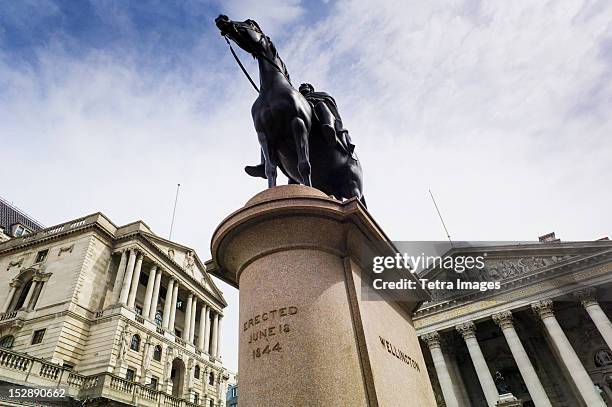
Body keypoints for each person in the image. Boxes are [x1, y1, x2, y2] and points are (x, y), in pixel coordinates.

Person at [245, 83, 356, 179]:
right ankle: (264, 164)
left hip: (315, 119)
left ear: (311, 89)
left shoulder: (320, 96)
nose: (303, 87)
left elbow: (330, 104)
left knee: (321, 105)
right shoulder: (296, 100)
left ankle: (328, 127)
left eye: (306, 86)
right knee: (270, 130)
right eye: (301, 87)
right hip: (301, 122)